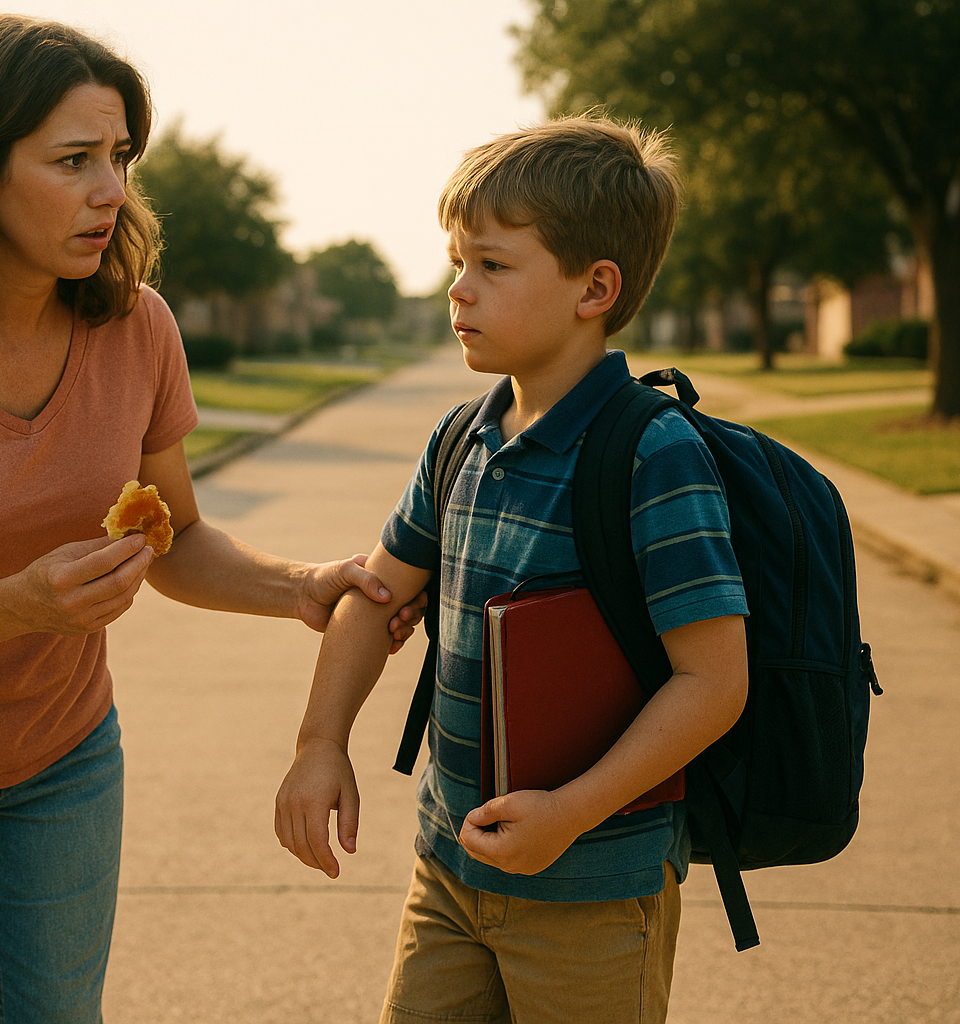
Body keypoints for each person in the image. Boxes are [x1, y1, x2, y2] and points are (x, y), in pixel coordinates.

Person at [0, 15, 419, 1022]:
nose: (111, 190)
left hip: (58, 755)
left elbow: (175, 537)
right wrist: (26, 603)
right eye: (72, 161)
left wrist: (299, 587)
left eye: (118, 157)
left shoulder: (136, 325)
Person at [273, 116, 751, 1023]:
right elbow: (375, 599)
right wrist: (319, 743)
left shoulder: (653, 455)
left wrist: (571, 813)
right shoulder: (460, 439)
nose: (458, 290)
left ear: (594, 287)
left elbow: (713, 680)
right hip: (449, 874)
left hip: (596, 889)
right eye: (457, 262)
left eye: (492, 266)